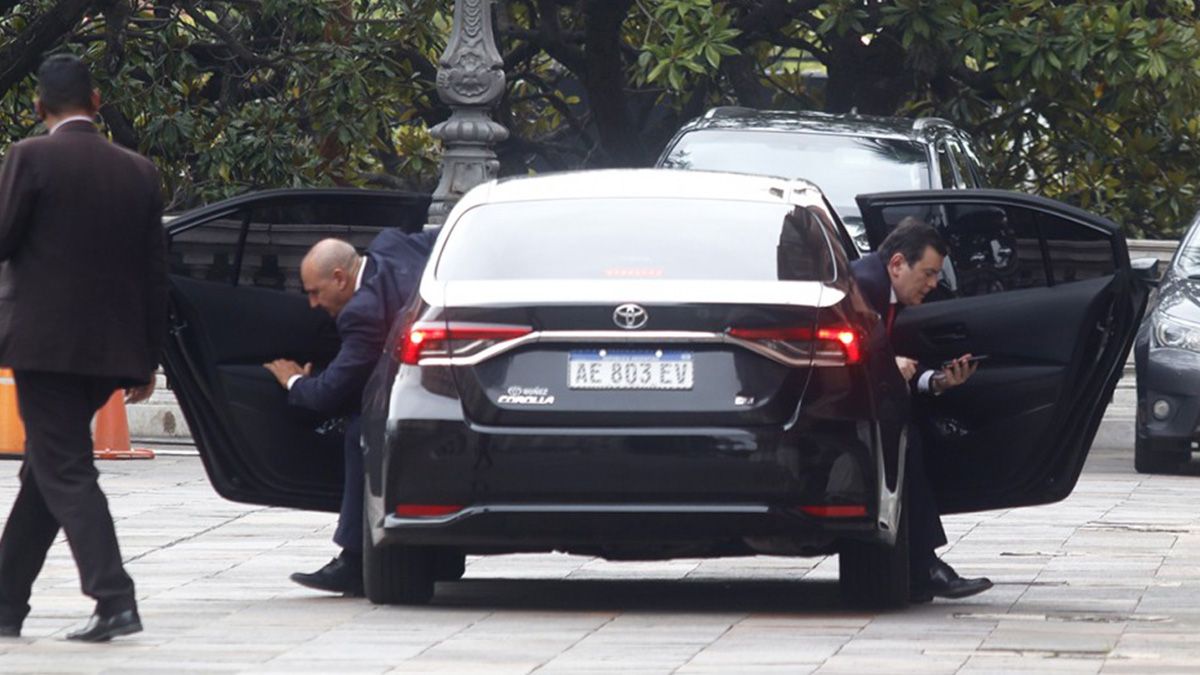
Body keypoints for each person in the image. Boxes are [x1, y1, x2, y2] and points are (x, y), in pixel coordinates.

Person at [0, 54, 168, 641]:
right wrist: (148, 358)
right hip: (111, 352)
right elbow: (155, 274)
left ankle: (114, 597)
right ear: (96, 102)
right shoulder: (139, 171)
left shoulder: (29, 157)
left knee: (63, 468)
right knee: (47, 470)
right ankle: (5, 604)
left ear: (38, 107)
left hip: (45, 347)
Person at [263, 228, 436, 595]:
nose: (313, 304)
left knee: (361, 432)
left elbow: (326, 395)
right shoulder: (391, 242)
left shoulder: (362, 313)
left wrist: (294, 380)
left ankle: (354, 561)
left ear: (340, 278)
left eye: (315, 292)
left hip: (427, 391)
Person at [850, 217, 993, 602]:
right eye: (928, 273)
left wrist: (939, 381)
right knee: (907, 441)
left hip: (874, 407)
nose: (932, 284)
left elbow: (899, 363)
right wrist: (885, 365)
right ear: (897, 264)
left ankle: (918, 566)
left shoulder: (884, 291)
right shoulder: (862, 286)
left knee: (916, 435)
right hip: (841, 413)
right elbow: (844, 357)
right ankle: (924, 567)